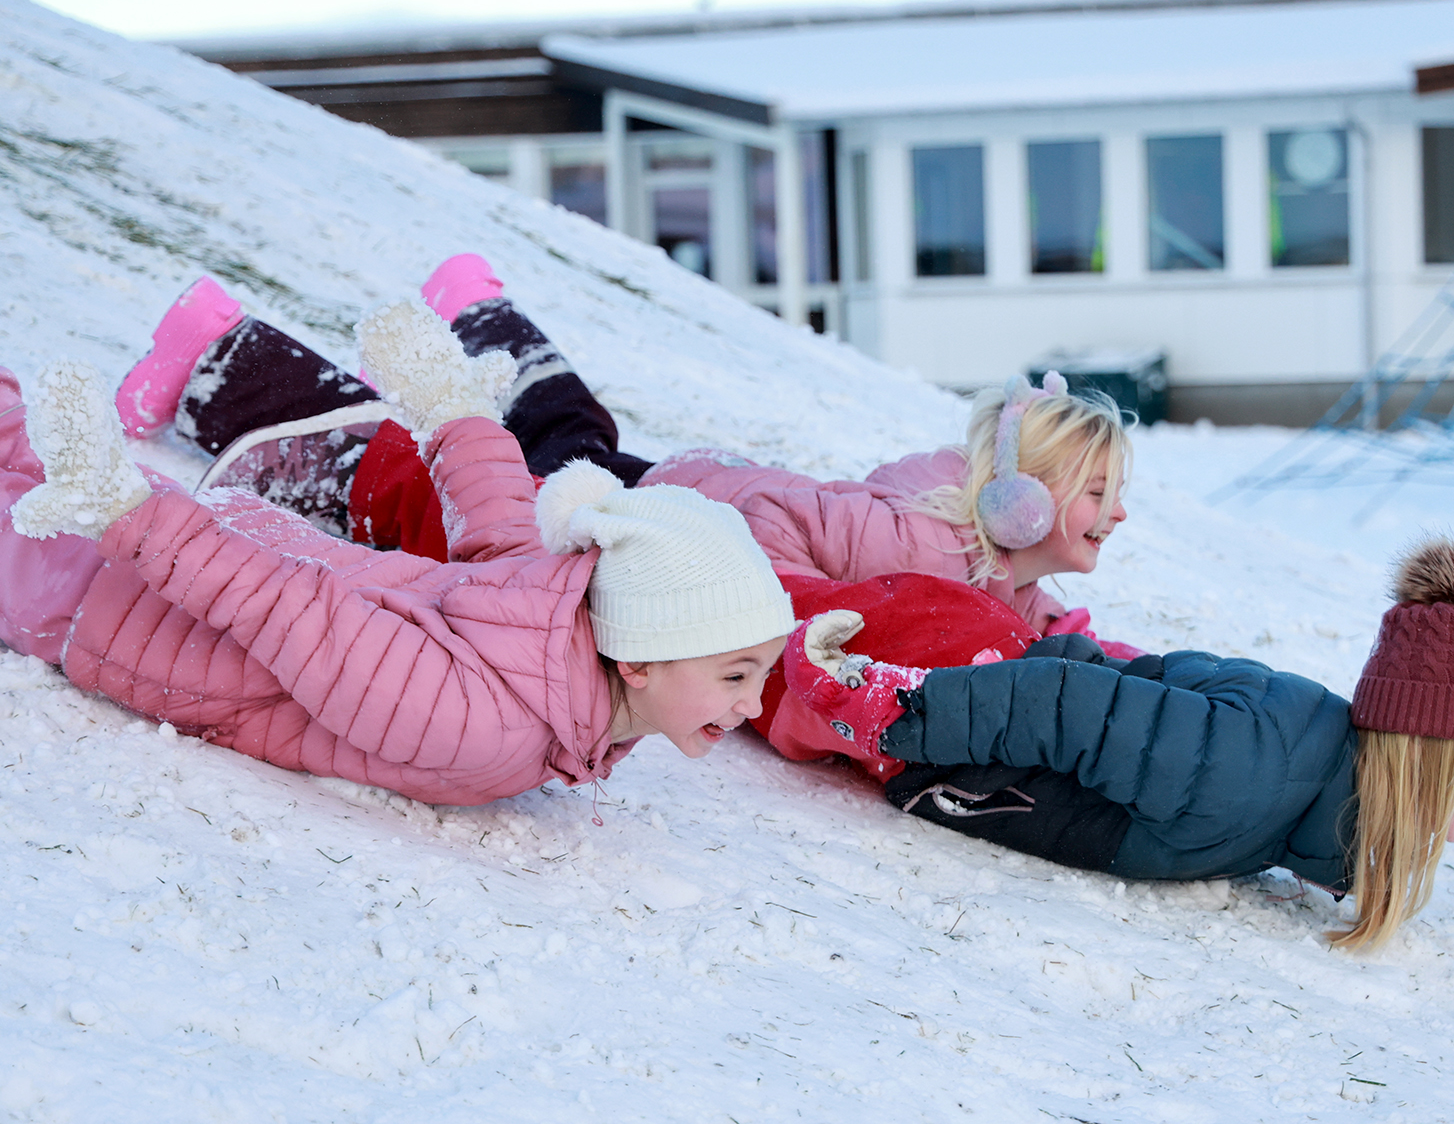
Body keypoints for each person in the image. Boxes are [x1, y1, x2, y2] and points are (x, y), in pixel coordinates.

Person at [112, 255, 1140, 778]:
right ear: (1023, 497)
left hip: (666, 531)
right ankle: (224, 361)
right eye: (1097, 491)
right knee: (451, 482)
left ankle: (472, 315)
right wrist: (742, 607)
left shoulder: (990, 564)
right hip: (660, 534)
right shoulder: (913, 539)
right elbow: (768, 529)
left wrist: (1093, 655)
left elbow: (1021, 618)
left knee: (549, 428)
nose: (1118, 513)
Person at [0, 305, 794, 807]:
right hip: (124, 611)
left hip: (171, 557)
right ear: (640, 659)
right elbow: (294, 613)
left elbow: (500, 530)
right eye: (734, 673)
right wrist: (130, 516)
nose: (754, 704)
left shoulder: (554, 652)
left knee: (1, 444)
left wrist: (456, 412)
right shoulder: (486, 726)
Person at [779, 536, 1454, 951]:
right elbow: (1067, 703)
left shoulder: (1305, 775)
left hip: (966, 702)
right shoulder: (1254, 771)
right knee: (739, 629)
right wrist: (898, 711)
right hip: (938, 685)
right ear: (1428, 746)